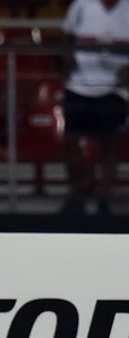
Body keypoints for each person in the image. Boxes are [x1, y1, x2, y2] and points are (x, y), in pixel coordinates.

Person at [59, 0, 129, 215]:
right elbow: (66, 38)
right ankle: (77, 194)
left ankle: (104, 201)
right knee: (71, 141)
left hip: (114, 89)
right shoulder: (81, 5)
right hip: (79, 84)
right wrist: (67, 61)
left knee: (108, 144)